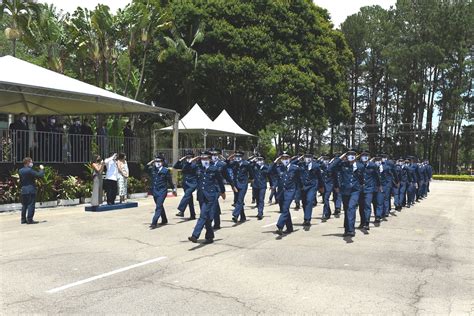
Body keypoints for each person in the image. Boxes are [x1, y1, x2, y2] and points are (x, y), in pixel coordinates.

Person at [187, 151, 226, 243]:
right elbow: (186, 169)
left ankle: (195, 235)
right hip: (201, 195)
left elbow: (220, 181)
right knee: (206, 217)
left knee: (203, 215)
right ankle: (210, 236)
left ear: (209, 159)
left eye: (206, 158)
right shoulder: (198, 167)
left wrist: (222, 192)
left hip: (210, 196)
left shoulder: (214, 169)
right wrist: (191, 161)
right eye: (202, 158)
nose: (204, 160)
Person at [332, 150, 364, 237]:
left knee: (351, 207)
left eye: (353, 155)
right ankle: (347, 229)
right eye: (349, 155)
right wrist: (340, 158)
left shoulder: (360, 166)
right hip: (345, 190)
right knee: (347, 210)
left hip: (355, 190)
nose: (351, 156)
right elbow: (331, 167)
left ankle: (351, 230)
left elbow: (362, 178)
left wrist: (360, 187)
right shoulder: (343, 164)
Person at [271, 151, 302, 235]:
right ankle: (290, 228)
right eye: (283, 158)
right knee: (285, 210)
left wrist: (298, 194)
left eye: (286, 158)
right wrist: (275, 162)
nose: (285, 160)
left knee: (285, 209)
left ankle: (280, 226)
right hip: (281, 192)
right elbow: (269, 171)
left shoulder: (295, 168)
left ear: (290, 159)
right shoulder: (278, 168)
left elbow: (299, 180)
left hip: (290, 191)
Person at [292, 153, 323, 227]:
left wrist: (321, 186)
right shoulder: (300, 164)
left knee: (309, 200)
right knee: (304, 202)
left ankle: (307, 219)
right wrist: (299, 158)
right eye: (306, 157)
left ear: (312, 158)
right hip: (302, 186)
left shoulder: (316, 166)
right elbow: (291, 163)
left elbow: (319, 177)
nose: (308, 158)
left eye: (309, 157)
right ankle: (306, 217)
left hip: (312, 186)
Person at [147, 155, 177, 229]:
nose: (157, 163)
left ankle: (154, 222)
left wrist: (174, 189)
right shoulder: (153, 169)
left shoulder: (165, 170)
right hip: (155, 191)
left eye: (159, 161)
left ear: (162, 162)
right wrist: (152, 162)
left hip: (162, 191)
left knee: (158, 206)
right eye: (156, 161)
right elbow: (145, 168)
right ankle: (164, 219)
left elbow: (169, 181)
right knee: (159, 205)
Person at [357, 151, 381, 230]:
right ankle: (362, 222)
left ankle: (367, 222)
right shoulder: (358, 165)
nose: (365, 157)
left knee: (367, 205)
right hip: (360, 189)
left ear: (369, 157)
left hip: (369, 188)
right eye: (363, 155)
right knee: (361, 206)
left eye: (366, 155)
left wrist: (378, 186)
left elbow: (377, 177)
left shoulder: (373, 166)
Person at [227, 151, 253, 223]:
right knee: (237, 200)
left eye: (239, 156)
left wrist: (250, 180)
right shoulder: (234, 163)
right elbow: (226, 163)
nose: (237, 157)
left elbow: (251, 173)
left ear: (242, 157)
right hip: (235, 184)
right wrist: (231, 156)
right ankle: (243, 216)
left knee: (240, 199)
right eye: (236, 156)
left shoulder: (246, 164)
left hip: (243, 184)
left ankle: (235, 215)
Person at [19, 157, 44, 224]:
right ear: (27, 162)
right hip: (31, 190)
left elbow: (21, 181)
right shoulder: (29, 170)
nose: (31, 163)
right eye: (31, 162)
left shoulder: (20, 170)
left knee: (24, 205)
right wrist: (41, 169)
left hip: (24, 190)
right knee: (31, 205)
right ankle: (30, 219)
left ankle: (23, 219)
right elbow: (40, 175)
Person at [174, 150, 197, 220]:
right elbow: (175, 166)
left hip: (192, 183)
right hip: (185, 184)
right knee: (189, 199)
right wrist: (181, 159)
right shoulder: (184, 163)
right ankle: (193, 215)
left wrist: (189, 161)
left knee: (186, 195)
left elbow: (187, 168)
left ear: (193, 157)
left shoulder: (194, 164)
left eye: (189, 157)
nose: (188, 158)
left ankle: (181, 210)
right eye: (187, 157)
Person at [249, 153, 270, 220]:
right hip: (255, 185)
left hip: (262, 186)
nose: (259, 160)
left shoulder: (266, 167)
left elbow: (270, 176)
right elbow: (248, 164)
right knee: (257, 199)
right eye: (258, 159)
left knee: (261, 199)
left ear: (263, 160)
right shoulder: (254, 166)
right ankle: (259, 210)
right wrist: (253, 160)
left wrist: (272, 185)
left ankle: (260, 213)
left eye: (261, 159)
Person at [320, 154, 339, 221]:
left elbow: (335, 177)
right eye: (324, 159)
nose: (325, 161)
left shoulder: (332, 167)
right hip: (323, 185)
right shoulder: (321, 166)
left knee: (326, 198)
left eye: (326, 159)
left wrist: (336, 186)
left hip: (330, 184)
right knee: (325, 199)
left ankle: (325, 213)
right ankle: (328, 212)